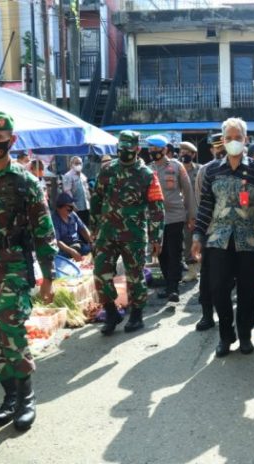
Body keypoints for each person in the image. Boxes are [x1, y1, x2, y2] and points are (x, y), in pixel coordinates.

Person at [192, 118, 254, 357]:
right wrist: (198, 235)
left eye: (237, 137)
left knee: (249, 290)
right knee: (218, 288)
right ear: (222, 141)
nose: (232, 142)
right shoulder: (211, 170)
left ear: (246, 140)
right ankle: (225, 335)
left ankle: (246, 334)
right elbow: (205, 206)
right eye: (228, 138)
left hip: (249, 239)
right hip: (218, 239)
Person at [0, 111, 57, 431]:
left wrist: (48, 276)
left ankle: (27, 397)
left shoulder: (25, 182)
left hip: (14, 265)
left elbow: (44, 231)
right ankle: (9, 397)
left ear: (11, 142)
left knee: (8, 324)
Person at [91, 130, 165, 335]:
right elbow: (96, 200)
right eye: (121, 149)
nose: (124, 152)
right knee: (99, 273)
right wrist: (94, 229)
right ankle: (111, 311)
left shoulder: (147, 174)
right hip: (106, 233)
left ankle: (136, 315)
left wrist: (156, 237)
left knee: (135, 277)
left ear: (137, 149)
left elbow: (157, 208)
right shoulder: (107, 170)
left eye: (129, 149)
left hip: (134, 235)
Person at [146, 134, 196, 302]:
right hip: (155, 219)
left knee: (175, 252)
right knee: (161, 253)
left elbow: (188, 191)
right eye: (150, 149)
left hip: (175, 216)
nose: (153, 152)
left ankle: (173, 288)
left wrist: (191, 216)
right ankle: (169, 284)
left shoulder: (176, 167)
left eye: (156, 149)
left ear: (165, 150)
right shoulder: (147, 169)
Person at [191, 133, 225, 332]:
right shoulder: (205, 171)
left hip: (235, 232)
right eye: (217, 147)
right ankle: (206, 314)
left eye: (223, 146)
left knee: (229, 277)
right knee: (207, 275)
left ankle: (227, 315)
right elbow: (199, 202)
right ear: (211, 149)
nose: (220, 151)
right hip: (211, 231)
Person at [179, 141, 202, 282]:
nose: (184, 154)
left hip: (201, 211)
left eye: (187, 152)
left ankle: (204, 268)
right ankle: (192, 271)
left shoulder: (200, 169)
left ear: (193, 154)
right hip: (184, 212)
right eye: (182, 152)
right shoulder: (177, 169)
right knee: (188, 241)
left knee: (203, 240)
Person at [52, 192, 93, 261]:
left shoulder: (73, 214)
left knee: (90, 249)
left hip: (77, 245)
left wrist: (91, 242)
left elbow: (83, 229)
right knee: (59, 257)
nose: (71, 209)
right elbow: (57, 241)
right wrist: (71, 251)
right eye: (68, 208)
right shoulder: (54, 220)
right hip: (64, 249)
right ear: (60, 207)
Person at [62, 156, 92, 226]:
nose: (78, 165)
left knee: (86, 226)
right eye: (76, 163)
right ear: (71, 164)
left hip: (86, 206)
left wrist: (90, 201)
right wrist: (72, 205)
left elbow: (86, 190)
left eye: (80, 163)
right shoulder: (68, 176)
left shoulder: (83, 176)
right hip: (76, 208)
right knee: (78, 228)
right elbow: (67, 191)